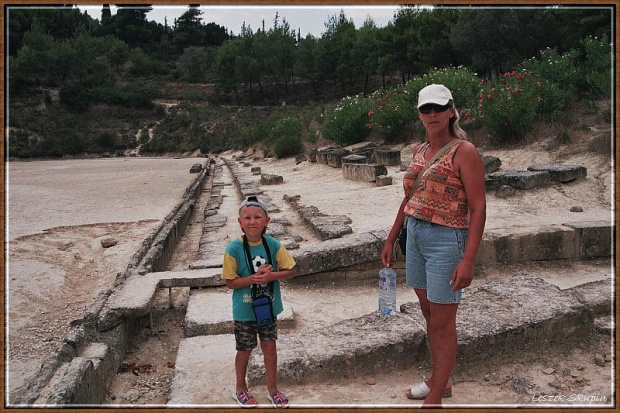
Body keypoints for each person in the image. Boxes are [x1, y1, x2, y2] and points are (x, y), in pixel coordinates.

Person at [380, 84, 486, 407]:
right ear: (419, 114)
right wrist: (391, 237)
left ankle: (436, 396)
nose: (433, 114)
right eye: (426, 109)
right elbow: (410, 198)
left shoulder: (464, 151)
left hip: (446, 239)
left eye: (439, 108)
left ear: (451, 110)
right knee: (429, 313)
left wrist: (468, 259)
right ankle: (442, 378)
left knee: (443, 321)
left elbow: (479, 207)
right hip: (415, 237)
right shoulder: (419, 151)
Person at [222, 195, 297, 408]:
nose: (252, 221)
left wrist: (271, 276)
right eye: (247, 217)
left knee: (270, 347)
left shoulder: (273, 245)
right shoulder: (233, 248)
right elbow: (230, 282)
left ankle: (273, 389)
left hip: (268, 307)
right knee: (244, 349)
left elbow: (291, 270)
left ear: (267, 220)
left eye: (257, 217)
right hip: (244, 310)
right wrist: (254, 278)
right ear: (239, 222)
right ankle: (240, 388)